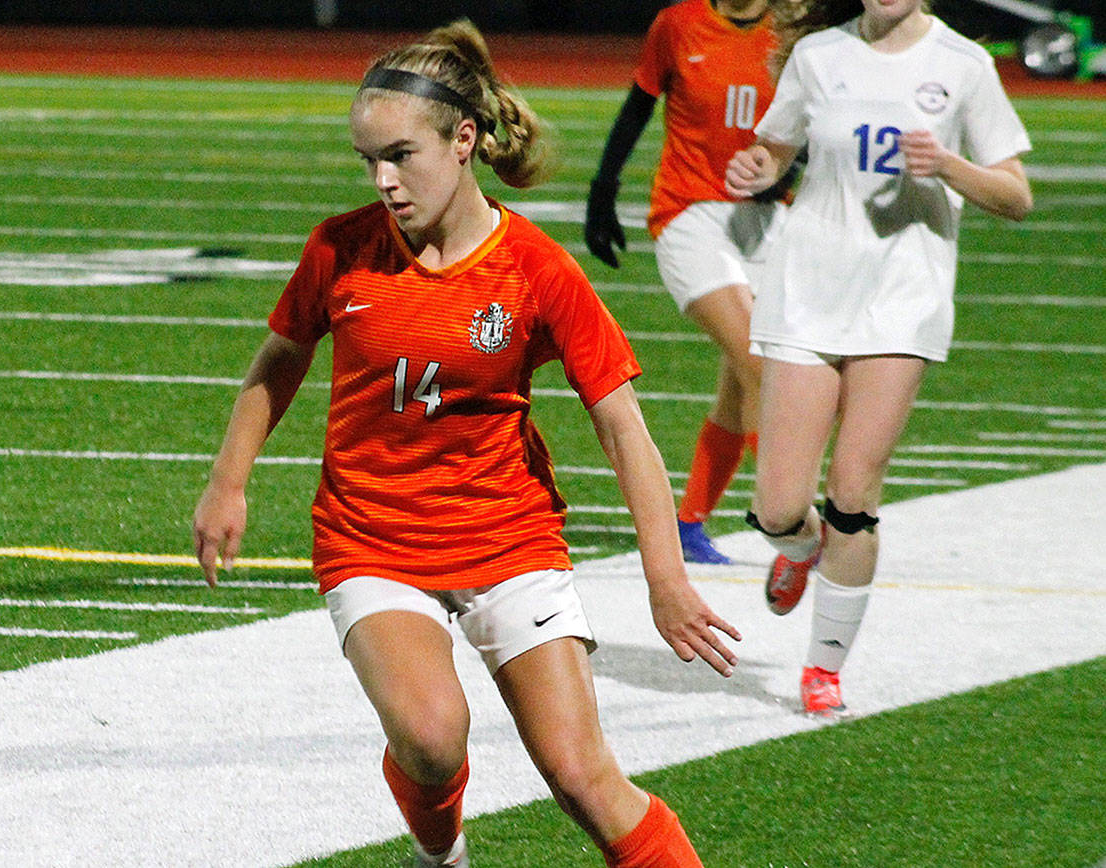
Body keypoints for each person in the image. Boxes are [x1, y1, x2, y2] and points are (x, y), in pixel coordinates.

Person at [193, 20, 741, 868]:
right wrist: (228, 484)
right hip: (372, 541)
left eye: (401, 155)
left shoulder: (534, 266)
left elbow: (623, 426)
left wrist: (665, 580)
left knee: (581, 775)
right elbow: (280, 360)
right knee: (433, 736)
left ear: (464, 140)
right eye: (366, 158)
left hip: (509, 538)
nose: (382, 179)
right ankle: (440, 851)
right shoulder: (340, 250)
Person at [724, 0, 1032, 715]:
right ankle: (798, 551)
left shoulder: (963, 65)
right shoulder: (818, 56)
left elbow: (1016, 196)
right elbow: (776, 148)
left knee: (854, 499)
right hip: (806, 290)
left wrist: (950, 166)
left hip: (902, 300)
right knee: (776, 508)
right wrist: (757, 169)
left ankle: (823, 671)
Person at [586, 0, 794, 565]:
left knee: (743, 374)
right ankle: (790, 521)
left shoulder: (797, 26)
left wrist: (786, 174)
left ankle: (690, 523)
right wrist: (603, 188)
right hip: (688, 215)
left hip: (770, 220)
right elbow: (637, 107)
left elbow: (817, 122)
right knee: (758, 356)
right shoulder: (679, 23)